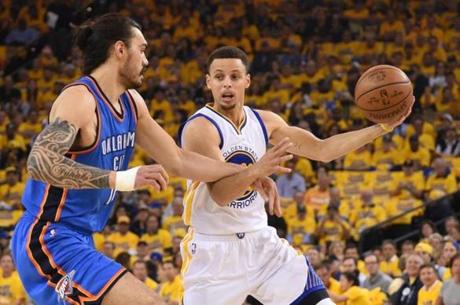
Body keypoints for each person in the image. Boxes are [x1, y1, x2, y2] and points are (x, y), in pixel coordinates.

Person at [11, 15, 291, 305]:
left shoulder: (132, 103)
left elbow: (178, 160)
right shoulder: (81, 99)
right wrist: (121, 179)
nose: (146, 60)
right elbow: (39, 162)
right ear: (120, 50)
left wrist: (249, 172)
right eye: (141, 49)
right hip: (48, 237)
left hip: (82, 238)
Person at [179, 46, 413, 305]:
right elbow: (221, 194)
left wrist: (380, 128)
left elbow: (322, 150)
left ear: (247, 80)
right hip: (214, 254)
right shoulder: (200, 128)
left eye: (235, 76)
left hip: (261, 244)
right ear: (208, 82)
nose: (227, 84)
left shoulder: (265, 122)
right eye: (219, 77)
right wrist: (258, 169)